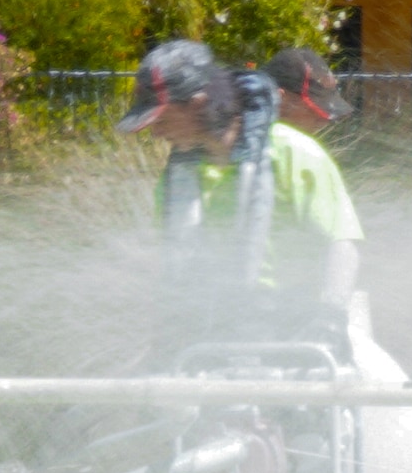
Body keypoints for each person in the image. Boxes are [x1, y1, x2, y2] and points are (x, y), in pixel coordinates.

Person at [117, 37, 362, 318]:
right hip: (211, 328)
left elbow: (341, 246)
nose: (156, 133)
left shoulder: (295, 153)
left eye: (161, 119)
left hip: (296, 327)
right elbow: (172, 260)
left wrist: (330, 314)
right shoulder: (176, 180)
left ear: (197, 104)